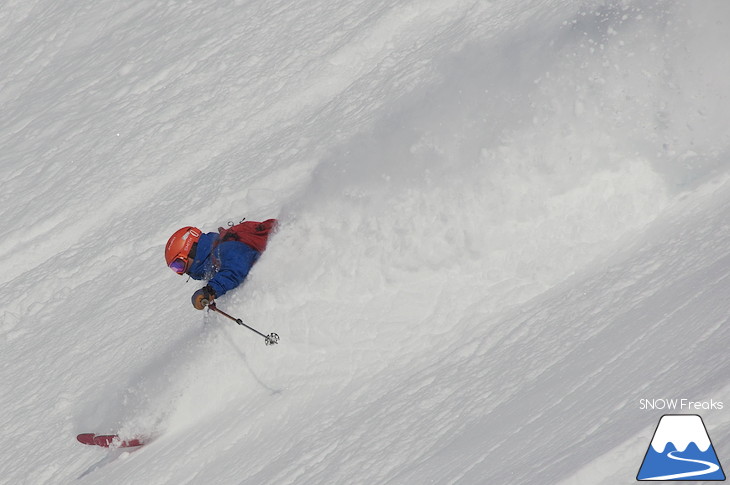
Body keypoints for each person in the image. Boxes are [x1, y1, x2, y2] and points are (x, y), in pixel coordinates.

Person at [164, 219, 277, 309]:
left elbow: (236, 266)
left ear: (191, 250)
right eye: (176, 268)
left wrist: (211, 291)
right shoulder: (214, 258)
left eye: (179, 264)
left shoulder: (224, 248)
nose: (182, 272)